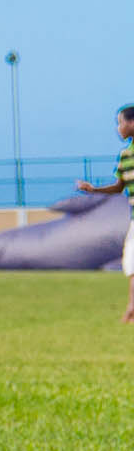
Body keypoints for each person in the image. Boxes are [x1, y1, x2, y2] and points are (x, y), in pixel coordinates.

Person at [72, 104, 134, 322]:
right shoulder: (126, 156)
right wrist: (94, 190)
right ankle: (131, 309)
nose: (118, 128)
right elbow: (119, 187)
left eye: (120, 122)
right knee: (131, 261)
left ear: (132, 123)